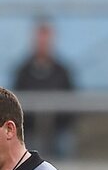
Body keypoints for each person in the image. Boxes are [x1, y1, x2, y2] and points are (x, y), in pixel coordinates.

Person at [12, 20, 76, 158]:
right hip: (30, 129)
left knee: (65, 143)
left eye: (46, 39)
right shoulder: (23, 71)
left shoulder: (62, 71)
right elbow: (15, 102)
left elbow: (72, 101)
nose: (43, 43)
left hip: (58, 129)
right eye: (40, 39)